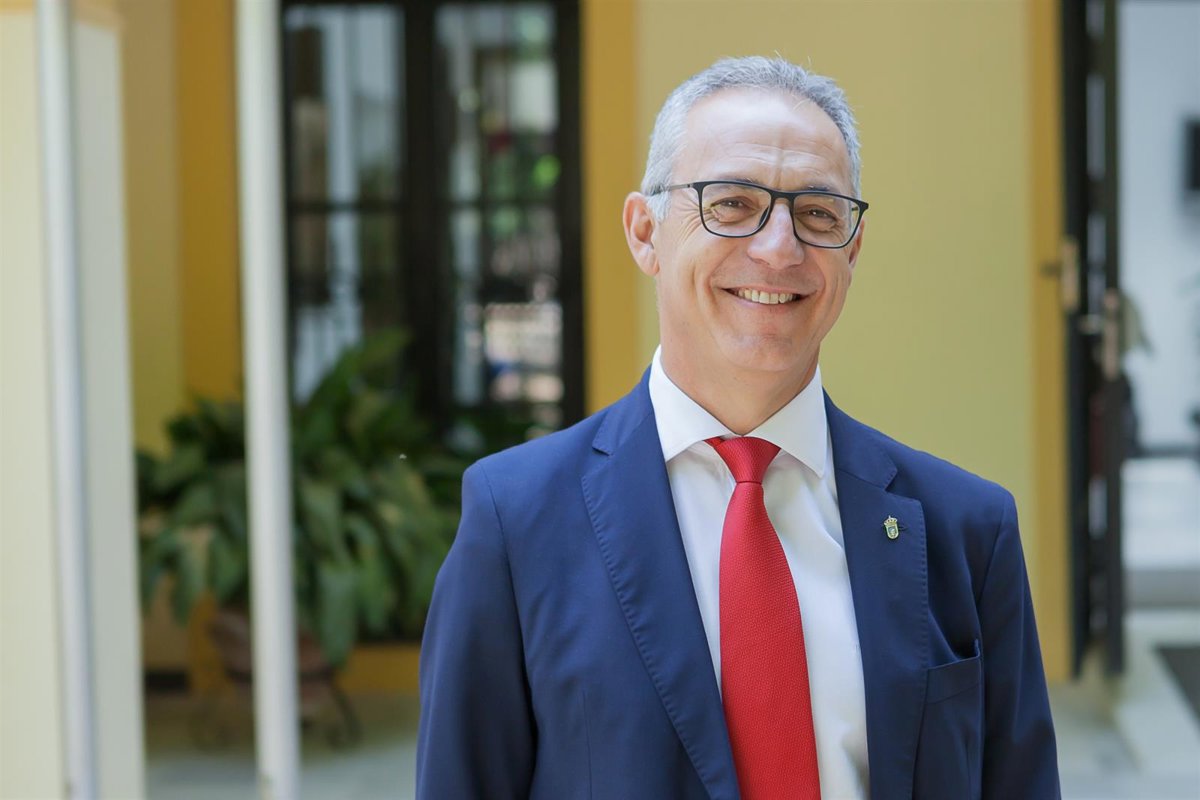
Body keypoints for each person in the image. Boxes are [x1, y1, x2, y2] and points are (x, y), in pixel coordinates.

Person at [416, 56, 1059, 800]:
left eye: (818, 214)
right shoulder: (515, 523)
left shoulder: (967, 530)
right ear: (645, 232)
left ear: (852, 250)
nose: (779, 248)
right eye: (731, 203)